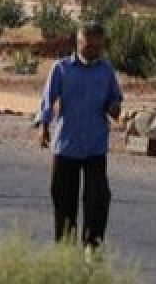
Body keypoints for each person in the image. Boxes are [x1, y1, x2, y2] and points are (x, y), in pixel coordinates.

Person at [38, 21, 123, 251]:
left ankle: (91, 246)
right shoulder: (61, 68)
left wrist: (115, 109)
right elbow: (48, 99)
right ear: (78, 44)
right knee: (64, 199)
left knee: (98, 199)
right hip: (67, 144)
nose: (93, 52)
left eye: (98, 47)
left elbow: (115, 100)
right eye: (89, 47)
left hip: (95, 145)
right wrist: (44, 127)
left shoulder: (106, 71)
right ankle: (65, 247)